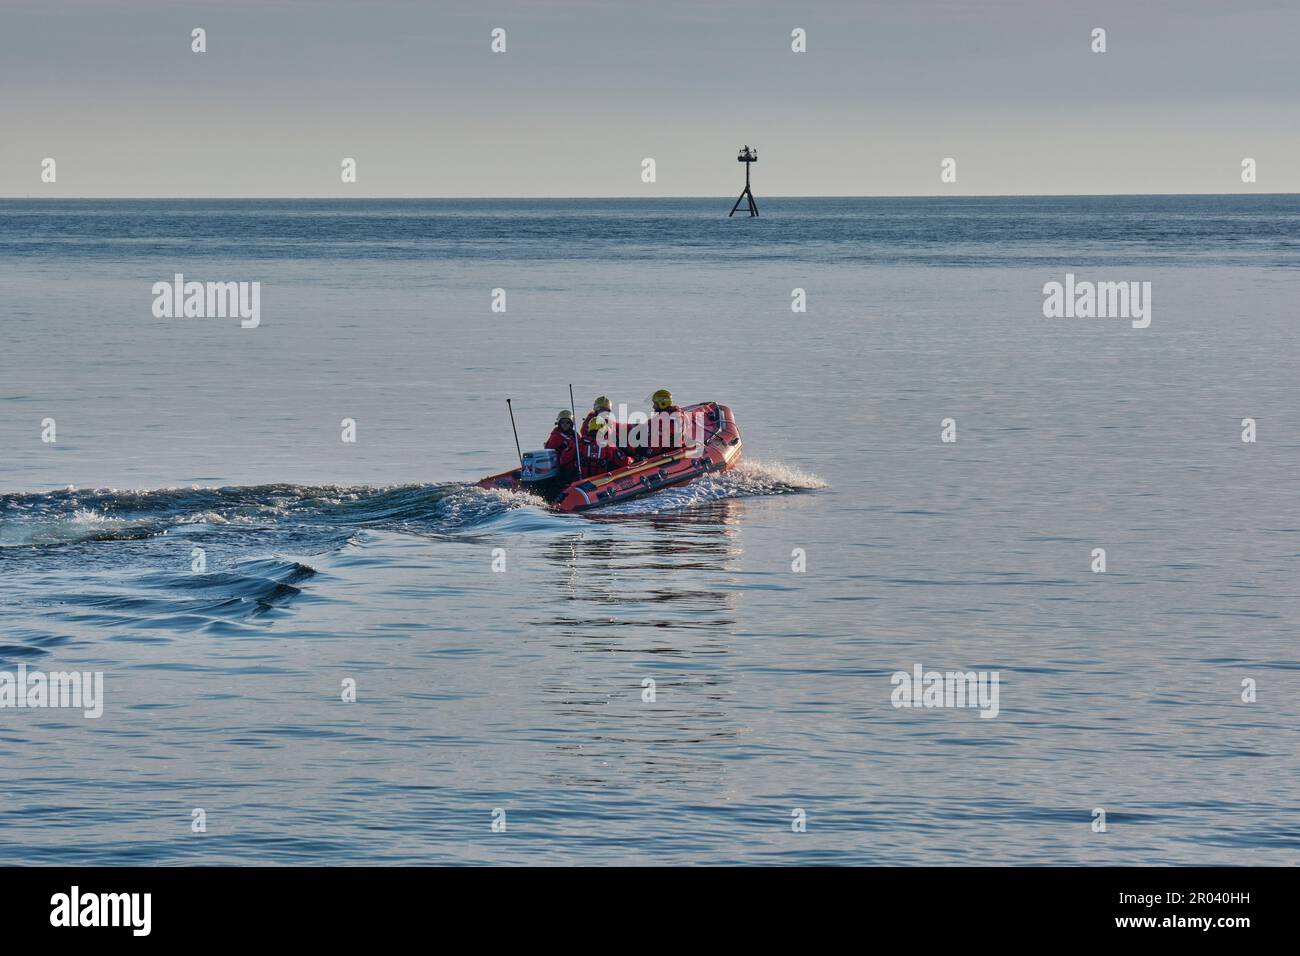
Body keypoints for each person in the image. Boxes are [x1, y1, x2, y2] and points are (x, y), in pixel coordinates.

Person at [646, 388, 685, 457]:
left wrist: (646, 455)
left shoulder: (664, 423)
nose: (653, 406)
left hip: (667, 451)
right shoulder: (676, 412)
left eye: (655, 404)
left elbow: (656, 446)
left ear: (663, 404)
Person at [544, 410, 578, 480]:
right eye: (562, 422)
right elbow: (550, 452)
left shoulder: (575, 435)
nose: (565, 424)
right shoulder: (555, 436)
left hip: (575, 464)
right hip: (561, 467)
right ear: (559, 423)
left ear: (571, 424)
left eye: (567, 422)